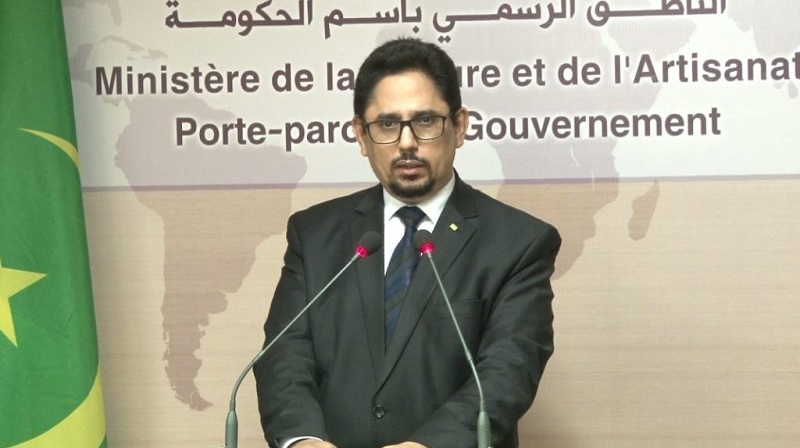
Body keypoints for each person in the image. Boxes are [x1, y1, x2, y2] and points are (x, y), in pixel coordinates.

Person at [254, 37, 561, 448]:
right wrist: (303, 440)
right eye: (386, 125)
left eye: (425, 121)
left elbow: (508, 371)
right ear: (361, 135)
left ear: (459, 126)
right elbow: (284, 355)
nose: (406, 143)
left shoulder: (518, 242)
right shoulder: (314, 234)